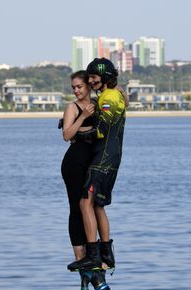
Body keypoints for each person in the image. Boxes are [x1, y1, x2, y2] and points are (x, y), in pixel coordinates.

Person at [67, 58, 127, 272]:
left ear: (106, 78)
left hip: (103, 159)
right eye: (89, 78)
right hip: (109, 159)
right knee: (97, 204)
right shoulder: (113, 95)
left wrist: (77, 132)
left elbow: (100, 130)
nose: (90, 81)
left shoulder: (108, 98)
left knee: (85, 203)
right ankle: (106, 255)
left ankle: (93, 255)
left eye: (93, 77)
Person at [60, 70, 99, 263]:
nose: (76, 90)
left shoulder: (98, 104)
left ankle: (93, 250)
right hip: (74, 163)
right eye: (73, 87)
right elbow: (67, 135)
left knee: (92, 206)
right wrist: (82, 117)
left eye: (79, 86)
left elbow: (124, 103)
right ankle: (79, 254)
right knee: (76, 207)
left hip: (93, 163)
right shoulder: (72, 107)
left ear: (89, 85)